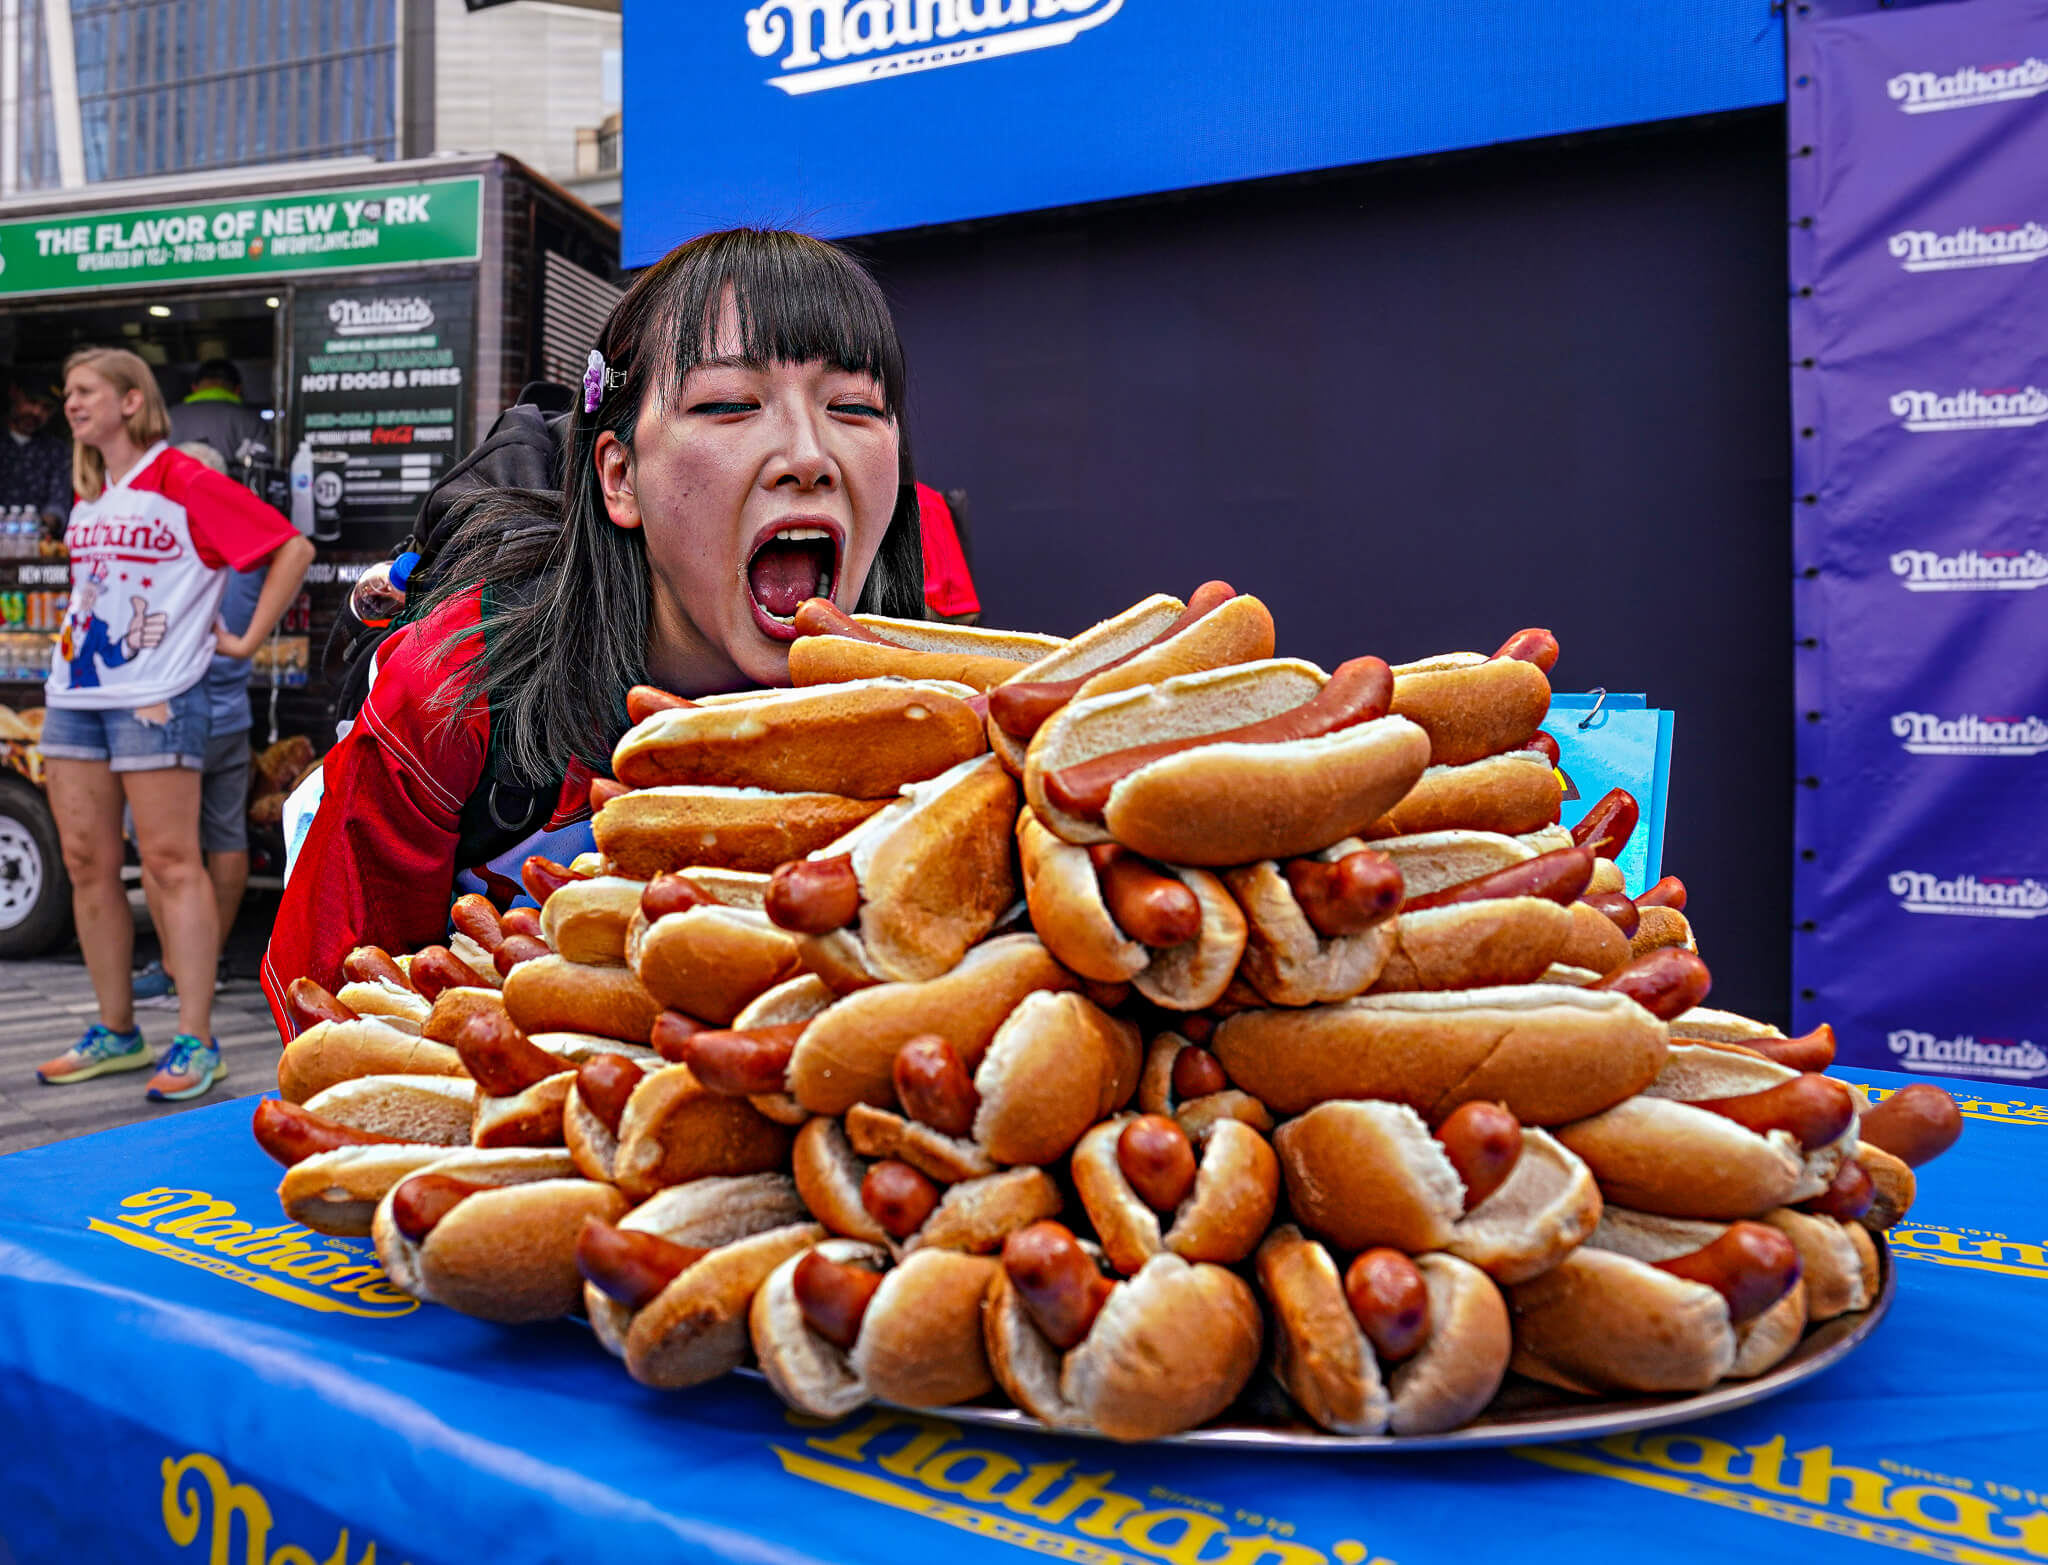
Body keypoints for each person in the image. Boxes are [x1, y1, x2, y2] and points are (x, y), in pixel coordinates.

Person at [261, 228, 925, 1032]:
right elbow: (335, 1030)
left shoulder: (920, 720)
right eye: (729, 404)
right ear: (620, 477)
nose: (809, 456)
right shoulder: (454, 685)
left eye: (853, 407)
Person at [34, 348, 313, 1102]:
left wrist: (246, 638)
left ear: (132, 400)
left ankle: (198, 1039)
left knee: (168, 860)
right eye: (67, 391)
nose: (70, 402)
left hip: (159, 693)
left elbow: (292, 547)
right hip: (75, 691)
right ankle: (116, 1030)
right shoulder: (91, 486)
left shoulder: (182, 476)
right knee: (86, 861)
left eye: (85, 390)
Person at [131, 441, 267, 1003]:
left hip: (169, 713)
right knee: (225, 837)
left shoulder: (175, 546)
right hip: (231, 713)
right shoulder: (249, 548)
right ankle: (207, 959)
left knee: (162, 850)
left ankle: (174, 964)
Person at [167, 358, 269, 473]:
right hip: (231, 490)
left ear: (194, 388)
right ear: (237, 389)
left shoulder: (167, 417)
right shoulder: (252, 419)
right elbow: (262, 466)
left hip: (173, 489)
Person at [0, 373, 73, 527]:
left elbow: (59, 503)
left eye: (46, 408)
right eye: (31, 402)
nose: (37, 412)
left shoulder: (57, 451)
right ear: (14, 393)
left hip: (33, 543)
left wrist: (40, 525)